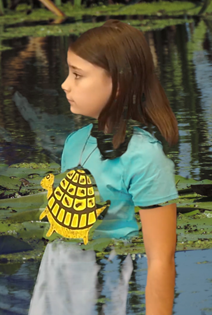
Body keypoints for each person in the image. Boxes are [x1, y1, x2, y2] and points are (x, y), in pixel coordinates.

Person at [29, 20, 178, 315]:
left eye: (77, 75)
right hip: (59, 267)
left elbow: (161, 258)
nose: (65, 84)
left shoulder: (145, 157)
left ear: (118, 83)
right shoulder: (75, 142)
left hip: (109, 274)